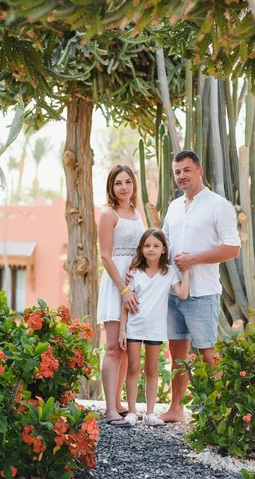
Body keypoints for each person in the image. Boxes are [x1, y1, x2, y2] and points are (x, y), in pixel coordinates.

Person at [159, 150, 241, 423]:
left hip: (203, 293)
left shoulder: (219, 205)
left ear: (199, 170)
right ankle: (176, 409)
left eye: (186, 170)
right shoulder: (173, 207)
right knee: (177, 354)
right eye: (177, 172)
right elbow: (165, 246)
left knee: (208, 353)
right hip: (174, 292)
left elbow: (232, 248)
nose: (181, 176)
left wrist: (194, 259)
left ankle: (222, 415)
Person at [118, 228, 190, 426]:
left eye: (156, 246)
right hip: (134, 327)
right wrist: (122, 330)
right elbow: (126, 303)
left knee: (152, 370)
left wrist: (187, 271)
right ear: (141, 249)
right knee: (133, 368)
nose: (151, 249)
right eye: (147, 245)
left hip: (155, 329)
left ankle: (150, 413)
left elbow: (183, 294)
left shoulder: (169, 273)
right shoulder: (134, 272)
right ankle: (132, 411)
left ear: (164, 250)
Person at [97, 164, 145, 426]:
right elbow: (105, 255)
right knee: (114, 347)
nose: (124, 187)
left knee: (127, 347)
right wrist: (123, 289)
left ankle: (118, 402)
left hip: (135, 282)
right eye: (118, 183)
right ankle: (109, 408)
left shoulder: (137, 212)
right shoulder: (108, 214)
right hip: (117, 284)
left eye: (128, 182)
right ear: (111, 187)